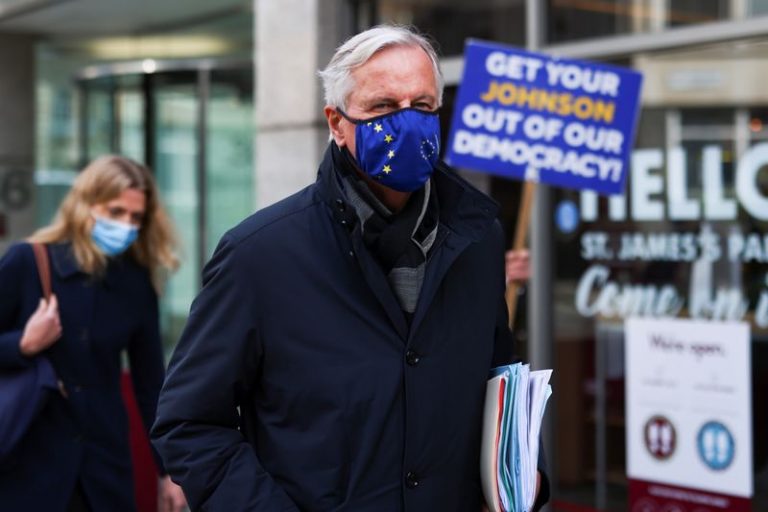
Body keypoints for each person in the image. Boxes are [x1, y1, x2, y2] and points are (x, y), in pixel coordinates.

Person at [152, 25, 550, 511]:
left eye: (422, 106)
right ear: (336, 123)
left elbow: (497, 383)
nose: (407, 122)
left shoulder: (477, 238)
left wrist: (523, 474)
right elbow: (189, 424)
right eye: (383, 106)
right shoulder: (260, 255)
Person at [0, 156, 187, 512]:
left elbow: (151, 386)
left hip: (102, 467)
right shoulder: (28, 262)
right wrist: (21, 345)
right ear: (85, 205)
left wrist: (168, 471)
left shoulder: (136, 282)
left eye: (135, 218)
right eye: (115, 212)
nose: (126, 225)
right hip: (27, 463)